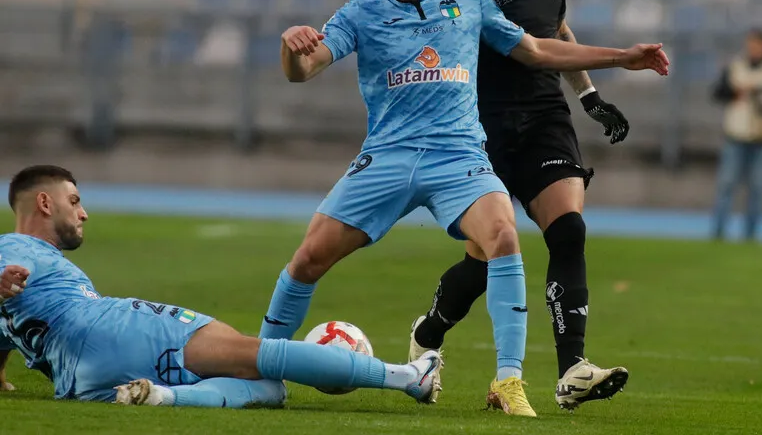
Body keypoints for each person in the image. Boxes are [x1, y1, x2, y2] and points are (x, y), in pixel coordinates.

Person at [261, 0, 668, 417]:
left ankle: (508, 382)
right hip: (388, 157)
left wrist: (621, 59)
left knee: (502, 235)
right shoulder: (360, 11)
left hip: (458, 157)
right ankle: (261, 369)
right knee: (308, 260)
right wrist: (290, 47)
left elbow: (538, 52)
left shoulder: (468, 2)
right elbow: (304, 70)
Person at [408, 0, 632, 411]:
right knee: (488, 258)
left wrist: (589, 94)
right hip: (477, 122)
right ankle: (430, 331)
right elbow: (422, 27)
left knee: (569, 231)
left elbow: (554, 26)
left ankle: (572, 369)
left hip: (543, 114)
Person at [0, 165, 443, 407]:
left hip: (79, 381)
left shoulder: (24, 272)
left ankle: (164, 396)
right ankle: (406, 377)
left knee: (272, 392)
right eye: (74, 201)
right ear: (44, 202)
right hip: (111, 329)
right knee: (257, 357)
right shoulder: (13, 246)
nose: (83, 213)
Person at [710, 27, 762, 241]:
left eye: (758, 45)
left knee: (757, 187)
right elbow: (718, 93)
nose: (753, 50)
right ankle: (718, 232)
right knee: (727, 184)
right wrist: (737, 92)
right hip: (737, 134)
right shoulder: (736, 65)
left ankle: (750, 235)